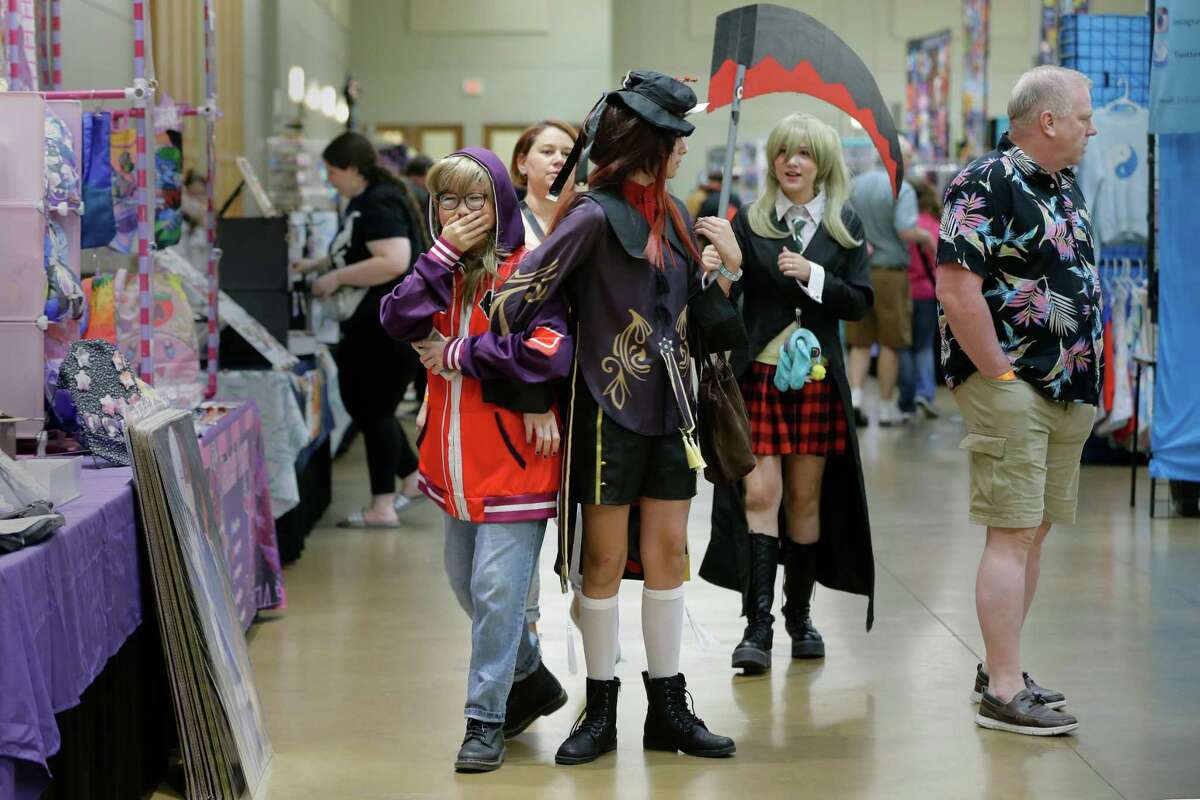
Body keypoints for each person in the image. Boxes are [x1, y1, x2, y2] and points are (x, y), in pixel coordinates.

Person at [494, 70, 742, 766]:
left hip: (674, 407)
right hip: (604, 410)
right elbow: (513, 302)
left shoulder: (673, 211)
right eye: (677, 141)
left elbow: (697, 313)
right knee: (601, 562)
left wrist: (722, 270)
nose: (685, 152)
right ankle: (598, 707)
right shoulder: (592, 214)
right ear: (649, 144)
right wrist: (561, 350)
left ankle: (668, 708)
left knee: (668, 555)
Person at [379, 147, 572, 772]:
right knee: (469, 585)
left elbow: (548, 351)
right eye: (449, 201)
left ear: (500, 203)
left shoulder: (529, 266)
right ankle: (531, 676)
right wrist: (437, 258)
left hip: (516, 459)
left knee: (495, 589)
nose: (461, 213)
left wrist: (460, 353)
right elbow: (395, 318)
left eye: (475, 199)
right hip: (451, 462)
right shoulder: (440, 268)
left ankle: (484, 720)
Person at [937, 65, 1099, 736]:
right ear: (1049, 121)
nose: (1092, 127)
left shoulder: (1063, 183)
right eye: (1083, 115)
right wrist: (999, 377)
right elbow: (956, 288)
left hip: (1068, 388)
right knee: (1011, 534)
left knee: (1032, 534)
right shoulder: (986, 181)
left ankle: (1003, 666)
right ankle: (1003, 692)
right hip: (1015, 387)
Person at [699, 113, 876, 672]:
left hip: (817, 385)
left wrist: (812, 275)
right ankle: (758, 627)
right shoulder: (748, 221)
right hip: (759, 379)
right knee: (759, 496)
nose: (791, 162)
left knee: (804, 501)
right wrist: (723, 264)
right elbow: (723, 302)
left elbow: (860, 301)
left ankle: (799, 615)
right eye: (783, 153)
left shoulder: (844, 223)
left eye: (803, 153)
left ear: (821, 163)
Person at [292, 132, 421, 526]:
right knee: (366, 406)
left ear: (351, 168)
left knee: (375, 410)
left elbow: (394, 260)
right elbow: (363, 250)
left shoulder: (378, 202)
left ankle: (382, 506)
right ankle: (413, 478)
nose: (330, 179)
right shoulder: (367, 202)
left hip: (382, 328)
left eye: (332, 171)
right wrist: (317, 266)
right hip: (377, 326)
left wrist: (335, 278)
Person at [846, 137, 936, 426]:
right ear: (901, 158)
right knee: (889, 343)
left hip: (858, 272)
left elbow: (843, 222)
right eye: (908, 158)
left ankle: (856, 400)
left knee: (859, 344)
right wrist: (928, 239)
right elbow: (905, 230)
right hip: (890, 274)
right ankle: (885, 409)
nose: (909, 164)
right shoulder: (903, 188)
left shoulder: (856, 186)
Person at [897, 178, 943, 419]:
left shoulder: (901, 226)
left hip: (901, 290)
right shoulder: (933, 225)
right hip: (927, 291)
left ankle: (905, 401)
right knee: (924, 346)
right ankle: (924, 392)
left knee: (903, 346)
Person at [510, 120, 578, 250]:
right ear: (522, 163)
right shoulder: (504, 224)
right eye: (547, 152)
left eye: (567, 154)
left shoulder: (590, 220)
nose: (559, 160)